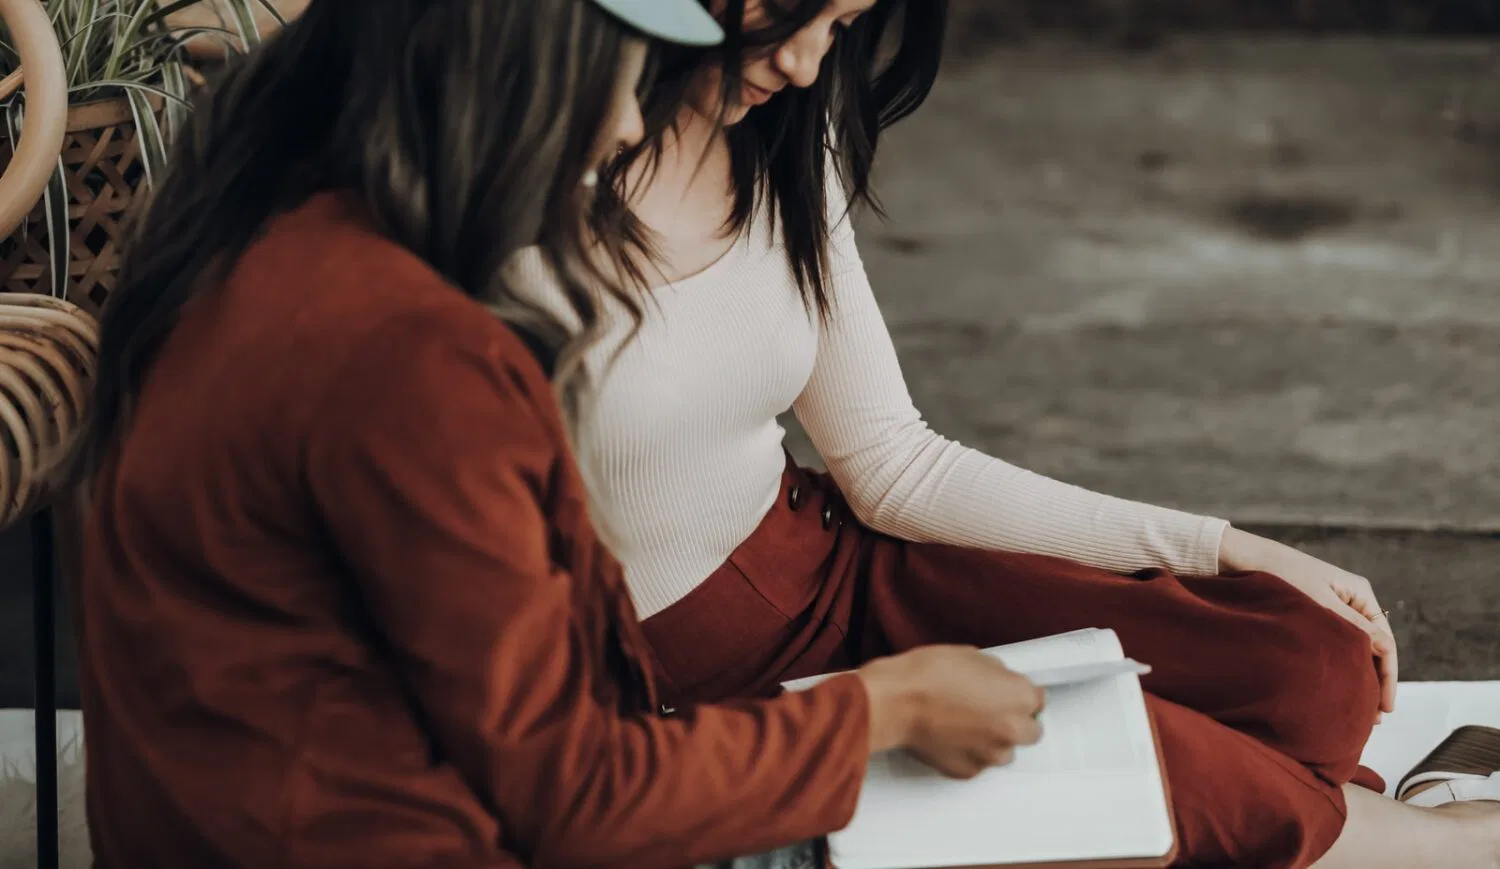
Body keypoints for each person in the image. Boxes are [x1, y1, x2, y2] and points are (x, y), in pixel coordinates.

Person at [508, 1, 1500, 866]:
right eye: (787, 11)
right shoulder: (499, 209)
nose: (808, 62)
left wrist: (1221, 544)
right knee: (1138, 756)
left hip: (837, 567)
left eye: (843, 26)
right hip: (689, 683)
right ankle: (1423, 845)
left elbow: (895, 462)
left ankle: (1293, 817)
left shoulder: (777, 133)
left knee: (1309, 665)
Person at [71, 2, 1054, 868]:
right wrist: (887, 708)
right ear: (506, 72)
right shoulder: (413, 352)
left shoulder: (254, 237)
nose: (630, 127)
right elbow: (577, 795)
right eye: (616, 80)